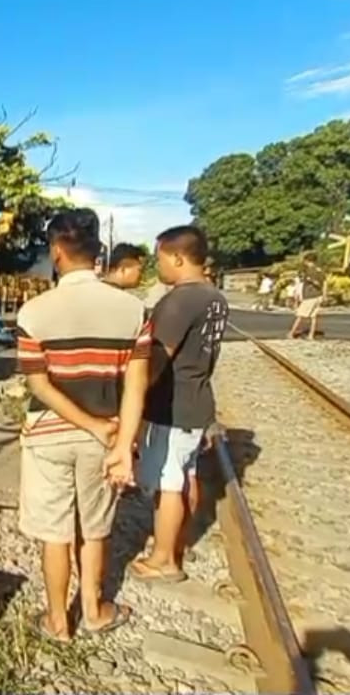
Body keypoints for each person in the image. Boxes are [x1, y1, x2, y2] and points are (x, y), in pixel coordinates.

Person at [15, 209, 149, 641]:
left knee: (55, 532)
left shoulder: (33, 312)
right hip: (106, 437)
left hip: (47, 437)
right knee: (95, 527)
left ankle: (58, 622)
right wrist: (119, 440)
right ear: (98, 253)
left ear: (56, 252)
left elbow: (39, 382)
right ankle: (93, 610)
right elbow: (136, 386)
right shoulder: (133, 310)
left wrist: (85, 423)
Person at [128, 225, 228, 583]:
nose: (158, 267)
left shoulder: (180, 301)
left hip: (172, 406)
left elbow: (156, 360)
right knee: (186, 477)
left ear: (178, 257)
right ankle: (176, 542)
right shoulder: (215, 297)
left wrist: (133, 404)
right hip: (197, 401)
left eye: (160, 259)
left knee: (168, 484)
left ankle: (163, 561)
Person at [288, 259, 324, 339]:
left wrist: (311, 281)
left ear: (309, 261)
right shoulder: (320, 271)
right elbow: (325, 282)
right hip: (318, 295)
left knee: (300, 315)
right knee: (313, 317)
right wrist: (324, 295)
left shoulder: (310, 271)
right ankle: (311, 335)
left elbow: (317, 283)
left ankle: (292, 333)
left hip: (310, 296)